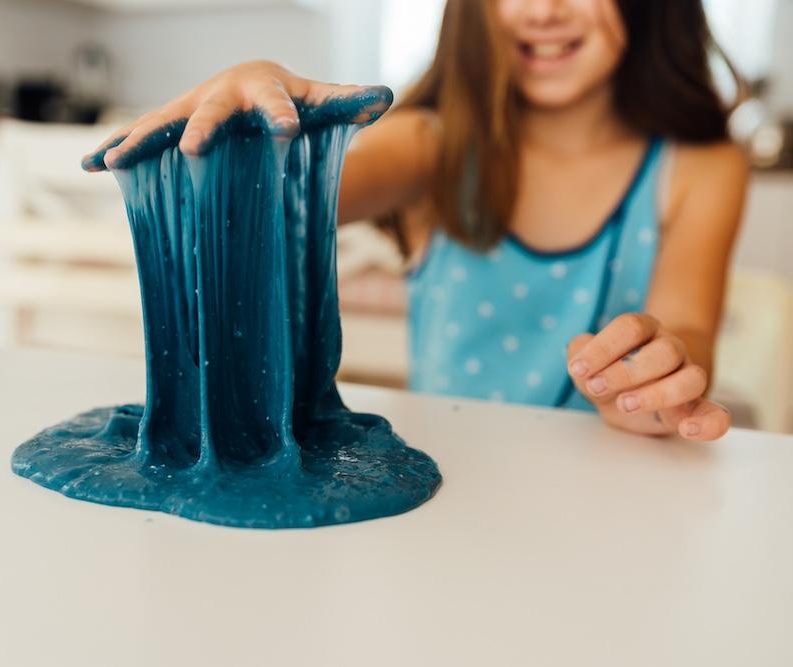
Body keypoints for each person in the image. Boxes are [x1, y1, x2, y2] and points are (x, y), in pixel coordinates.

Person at [83, 0, 748, 441]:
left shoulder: (703, 168)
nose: (544, 10)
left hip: (618, 504)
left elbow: (689, 332)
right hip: (448, 505)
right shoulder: (432, 144)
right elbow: (289, 199)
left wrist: (659, 380)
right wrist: (259, 103)